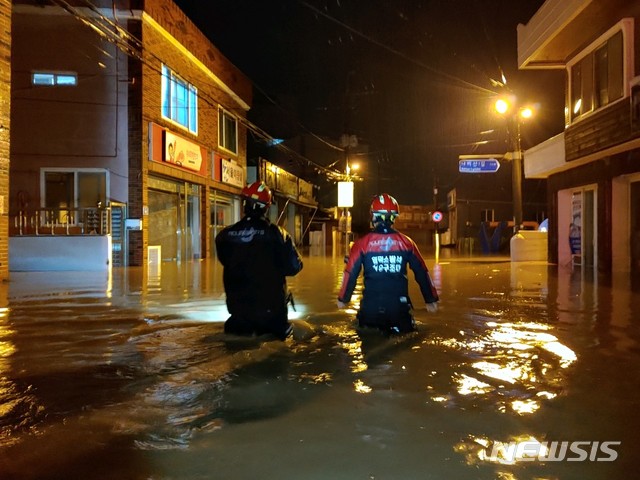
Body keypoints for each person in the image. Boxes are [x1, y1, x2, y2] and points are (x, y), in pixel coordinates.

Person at [337, 193, 439, 335]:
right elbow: (422, 271)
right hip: (399, 309)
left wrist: (343, 299)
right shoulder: (407, 243)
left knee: (366, 340)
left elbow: (350, 274)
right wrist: (430, 299)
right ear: (394, 217)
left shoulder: (361, 244)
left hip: (370, 310)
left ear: (373, 216)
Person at [215, 181, 303, 340]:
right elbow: (294, 266)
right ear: (266, 207)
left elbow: (225, 260)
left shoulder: (225, 235)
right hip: (272, 317)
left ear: (244, 205)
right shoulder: (278, 234)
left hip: (239, 317)